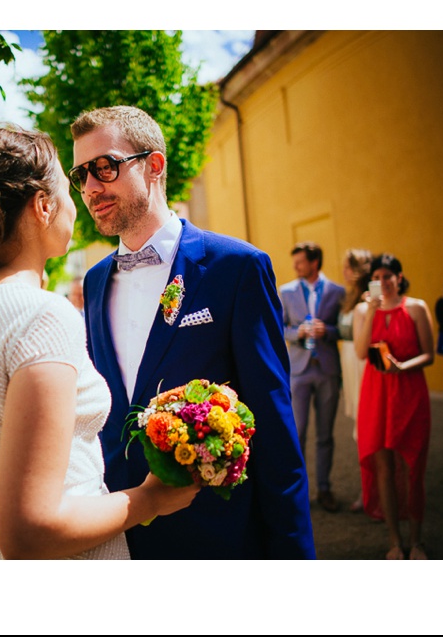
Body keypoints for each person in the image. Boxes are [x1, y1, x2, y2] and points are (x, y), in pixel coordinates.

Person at [0, 127, 197, 560]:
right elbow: (30, 533)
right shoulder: (42, 316)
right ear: (44, 206)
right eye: (69, 184)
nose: (81, 197)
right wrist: (152, 499)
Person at [71, 105, 316, 559]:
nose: (90, 187)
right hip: (118, 538)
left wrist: (293, 554)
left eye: (104, 167)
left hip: (216, 537)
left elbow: (275, 426)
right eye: (81, 174)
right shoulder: (95, 281)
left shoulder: (236, 268)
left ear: (154, 165)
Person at [353, 253, 435, 560]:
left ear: (399, 278)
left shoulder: (416, 307)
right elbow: (362, 352)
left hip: (409, 389)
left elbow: (430, 354)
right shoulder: (364, 310)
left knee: (412, 464)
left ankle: (416, 540)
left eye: (388, 276)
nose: (383, 282)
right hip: (376, 392)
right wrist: (372, 311)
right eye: (377, 277)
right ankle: (394, 541)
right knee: (384, 467)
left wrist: (404, 367)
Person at [279, 242, 346, 513]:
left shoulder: (337, 291)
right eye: (295, 262)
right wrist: (299, 334)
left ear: (315, 262)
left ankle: (325, 488)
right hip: (299, 371)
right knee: (298, 432)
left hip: (328, 369)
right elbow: (281, 328)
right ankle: (299, 492)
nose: (296, 266)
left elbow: (343, 329)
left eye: (301, 262)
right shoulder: (286, 291)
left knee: (325, 435)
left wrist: (326, 330)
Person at [337, 248, 372, 512]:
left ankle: (372, 491)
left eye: (348, 267)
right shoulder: (348, 297)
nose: (344, 272)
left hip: (363, 364)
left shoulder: (368, 298)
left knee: (367, 426)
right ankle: (369, 488)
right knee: (358, 427)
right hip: (348, 362)